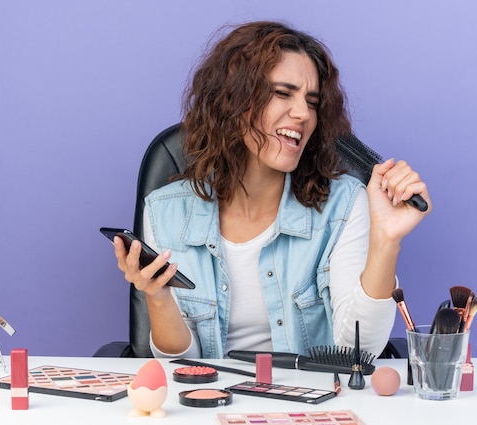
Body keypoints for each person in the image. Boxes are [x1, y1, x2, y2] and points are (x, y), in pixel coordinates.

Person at [113, 21, 431, 359]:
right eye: (282, 93)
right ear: (233, 101)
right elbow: (182, 368)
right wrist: (157, 295)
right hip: (210, 401)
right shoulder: (165, 212)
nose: (303, 114)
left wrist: (386, 240)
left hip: (309, 401)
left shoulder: (344, 204)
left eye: (312, 102)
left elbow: (355, 353)